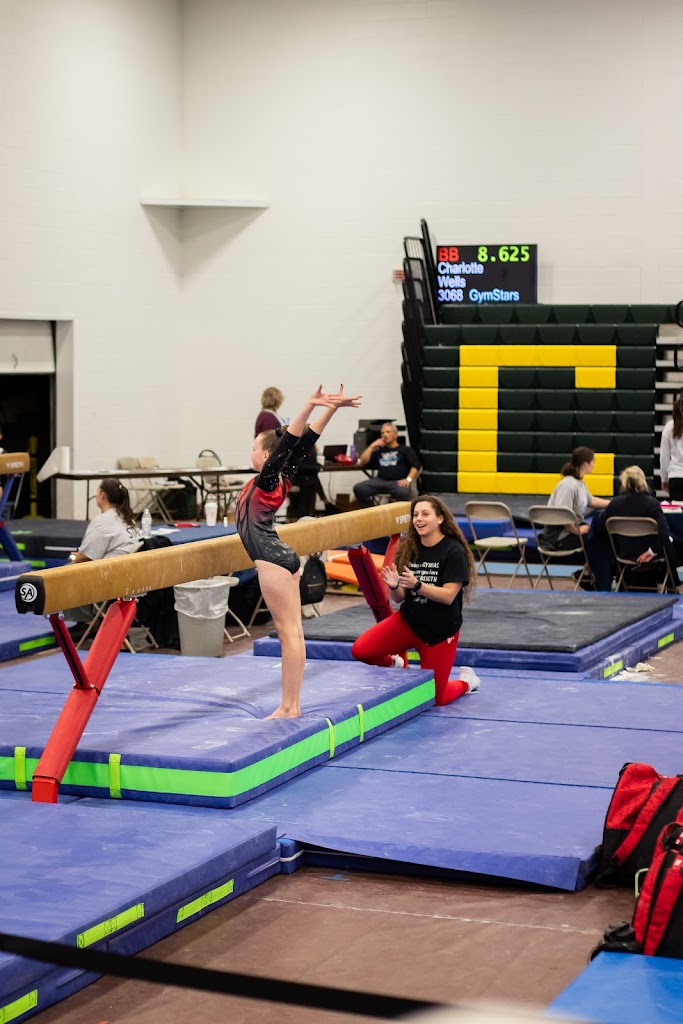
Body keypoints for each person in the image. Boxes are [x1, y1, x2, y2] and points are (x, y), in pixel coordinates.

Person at [236, 385, 361, 719]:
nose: (251, 453)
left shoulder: (266, 480)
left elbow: (290, 443)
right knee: (293, 634)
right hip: (280, 557)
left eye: (253, 449)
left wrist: (308, 404)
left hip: (272, 560)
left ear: (264, 457)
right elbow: (303, 445)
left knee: (289, 635)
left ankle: (289, 706)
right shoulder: (280, 477)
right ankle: (291, 704)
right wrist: (330, 409)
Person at [351, 494, 479, 706]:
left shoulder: (453, 551)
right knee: (361, 650)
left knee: (437, 698)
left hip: (439, 632)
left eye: (425, 514)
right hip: (408, 622)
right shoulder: (409, 548)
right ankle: (396, 663)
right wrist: (394, 586)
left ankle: (467, 682)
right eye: (415, 514)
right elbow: (400, 598)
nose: (418, 519)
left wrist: (418, 585)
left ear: (440, 519)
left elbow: (448, 596)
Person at [66, 478, 142, 636]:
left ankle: (86, 622)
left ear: (102, 495)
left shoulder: (102, 521)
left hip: (112, 577)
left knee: (68, 572)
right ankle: (96, 618)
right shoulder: (128, 517)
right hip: (133, 575)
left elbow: (86, 557)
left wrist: (73, 557)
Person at [602, 465, 680, 589]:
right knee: (670, 544)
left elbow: (605, 531)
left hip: (623, 553)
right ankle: (672, 584)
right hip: (648, 552)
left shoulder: (614, 505)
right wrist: (652, 551)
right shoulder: (652, 504)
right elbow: (664, 533)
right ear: (642, 481)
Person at [539, 446, 609, 550]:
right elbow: (562, 515)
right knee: (601, 539)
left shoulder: (580, 483)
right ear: (585, 464)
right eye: (593, 462)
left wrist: (614, 503)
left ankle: (589, 567)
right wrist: (577, 530)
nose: (594, 465)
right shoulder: (568, 486)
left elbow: (592, 501)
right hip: (558, 537)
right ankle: (592, 566)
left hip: (571, 530)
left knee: (602, 532)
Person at [353, 422, 421, 507]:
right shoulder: (379, 451)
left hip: (397, 482)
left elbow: (416, 465)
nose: (385, 435)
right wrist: (372, 446)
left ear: (396, 435)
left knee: (403, 492)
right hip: (380, 480)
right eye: (383, 433)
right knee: (359, 488)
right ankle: (372, 512)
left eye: (388, 432)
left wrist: (408, 480)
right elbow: (363, 461)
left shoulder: (405, 450)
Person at [660, 393, 683, 501]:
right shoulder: (670, 426)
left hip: (676, 478)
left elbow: (664, 457)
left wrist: (664, 478)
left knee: (678, 516)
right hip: (676, 477)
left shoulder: (669, 426)